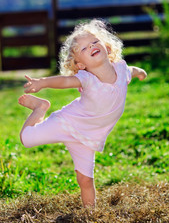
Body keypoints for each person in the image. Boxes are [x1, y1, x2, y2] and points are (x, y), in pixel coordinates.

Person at [18, 19, 147, 207]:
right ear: (80, 65)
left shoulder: (121, 68)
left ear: (107, 47)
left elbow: (132, 70)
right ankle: (40, 108)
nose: (92, 46)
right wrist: (42, 82)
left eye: (95, 42)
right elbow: (63, 82)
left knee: (85, 180)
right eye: (84, 48)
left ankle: (90, 214)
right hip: (67, 124)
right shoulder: (87, 79)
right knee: (26, 139)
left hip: (87, 138)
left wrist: (141, 72)